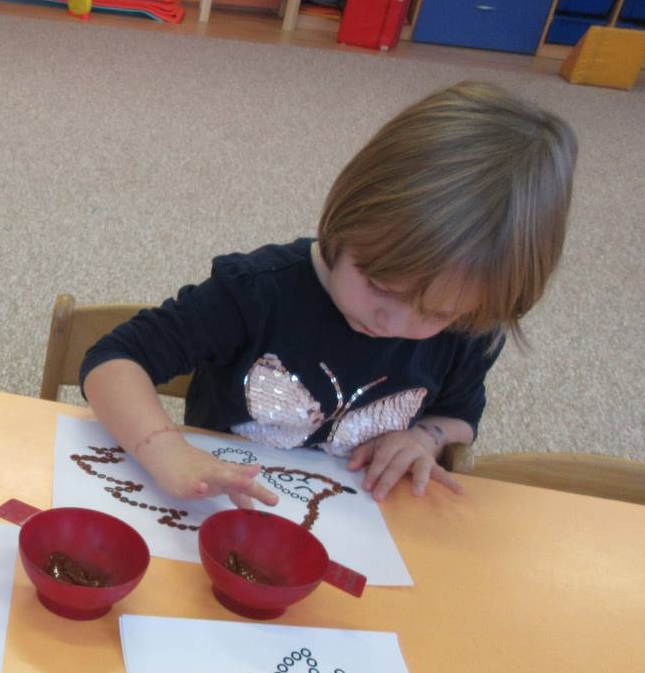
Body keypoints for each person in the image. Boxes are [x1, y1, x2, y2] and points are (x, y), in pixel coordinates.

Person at [81, 80, 576, 507]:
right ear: (346, 216)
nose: (390, 322)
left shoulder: (469, 327)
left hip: (354, 518)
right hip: (220, 505)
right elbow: (113, 359)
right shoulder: (257, 292)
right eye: (379, 285)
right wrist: (164, 448)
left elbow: (460, 414)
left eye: (436, 313)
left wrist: (424, 437)